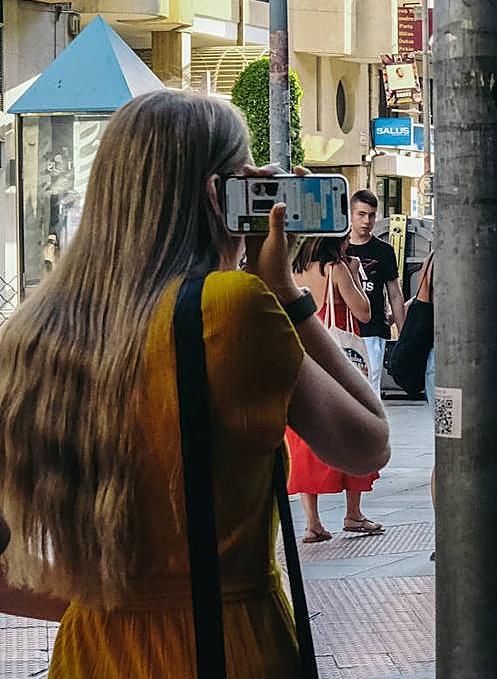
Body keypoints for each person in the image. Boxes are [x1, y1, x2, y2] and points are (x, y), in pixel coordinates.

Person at [0, 91, 390, 674]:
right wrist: (285, 292)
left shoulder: (32, 334)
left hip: (92, 652)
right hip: (224, 647)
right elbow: (366, 443)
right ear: (217, 196)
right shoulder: (231, 311)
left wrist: (116, 600)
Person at [287, 236, 385, 541]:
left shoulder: (294, 271)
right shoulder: (337, 269)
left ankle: (312, 522)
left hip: (304, 354)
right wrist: (354, 274)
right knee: (351, 423)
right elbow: (364, 311)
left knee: (304, 434)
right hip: (336, 357)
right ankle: (353, 513)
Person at [345, 189, 405, 398]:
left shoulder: (384, 251)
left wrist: (403, 333)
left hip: (373, 330)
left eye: (371, 215)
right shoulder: (336, 248)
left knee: (370, 389)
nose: (367, 220)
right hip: (342, 328)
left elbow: (395, 294)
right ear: (350, 214)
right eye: (361, 214)